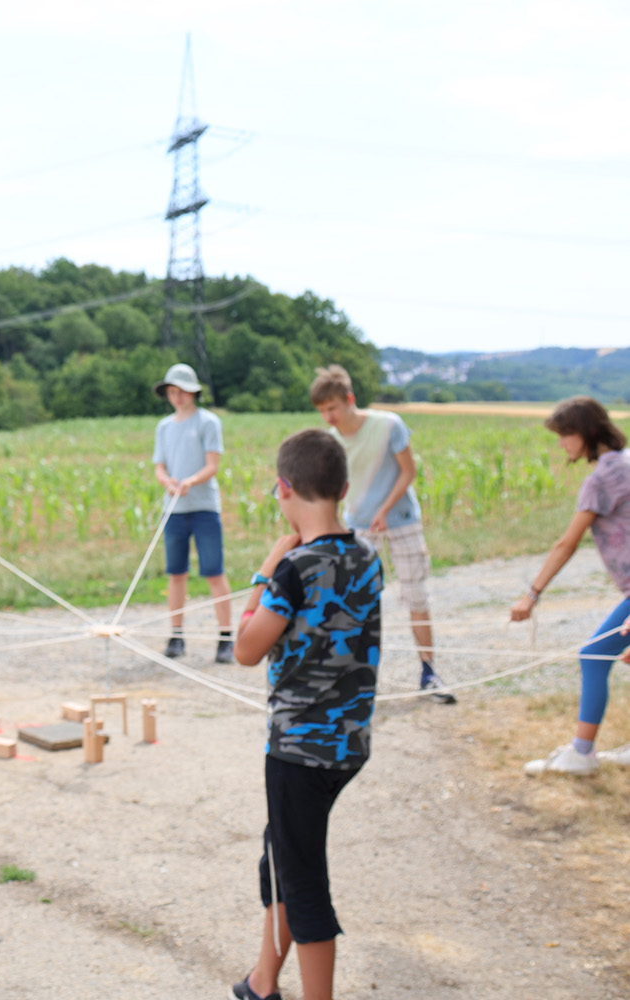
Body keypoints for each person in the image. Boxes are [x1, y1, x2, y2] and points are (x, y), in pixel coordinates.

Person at [230, 429, 380, 1000]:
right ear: (343, 488)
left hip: (300, 752)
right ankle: (262, 980)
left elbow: (246, 648)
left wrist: (267, 569)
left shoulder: (294, 568)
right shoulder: (368, 557)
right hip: (348, 746)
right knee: (281, 859)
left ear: (283, 488)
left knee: (303, 883)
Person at [310, 364, 455, 703]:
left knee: (415, 596)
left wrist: (385, 509)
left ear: (350, 399)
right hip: (359, 525)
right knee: (354, 600)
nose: (328, 417)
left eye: (332, 408)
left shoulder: (389, 425)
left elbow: (409, 471)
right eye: (322, 411)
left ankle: (429, 673)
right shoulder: (332, 442)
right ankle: (352, 679)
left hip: (401, 520)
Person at [510, 396, 630, 776]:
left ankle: (582, 754)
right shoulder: (627, 462)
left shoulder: (600, 480)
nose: (561, 443)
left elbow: (566, 543)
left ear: (587, 432)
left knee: (593, 655)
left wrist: (531, 594)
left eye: (565, 434)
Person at [152, 363, 234, 662]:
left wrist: (190, 481)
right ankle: (176, 636)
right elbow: (159, 466)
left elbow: (212, 466)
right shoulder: (163, 427)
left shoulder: (208, 422)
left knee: (214, 571)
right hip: (174, 510)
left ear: (193, 392)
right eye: (172, 392)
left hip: (204, 508)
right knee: (176, 574)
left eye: (182, 391)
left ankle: (225, 637)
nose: (177, 397)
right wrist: (168, 482)